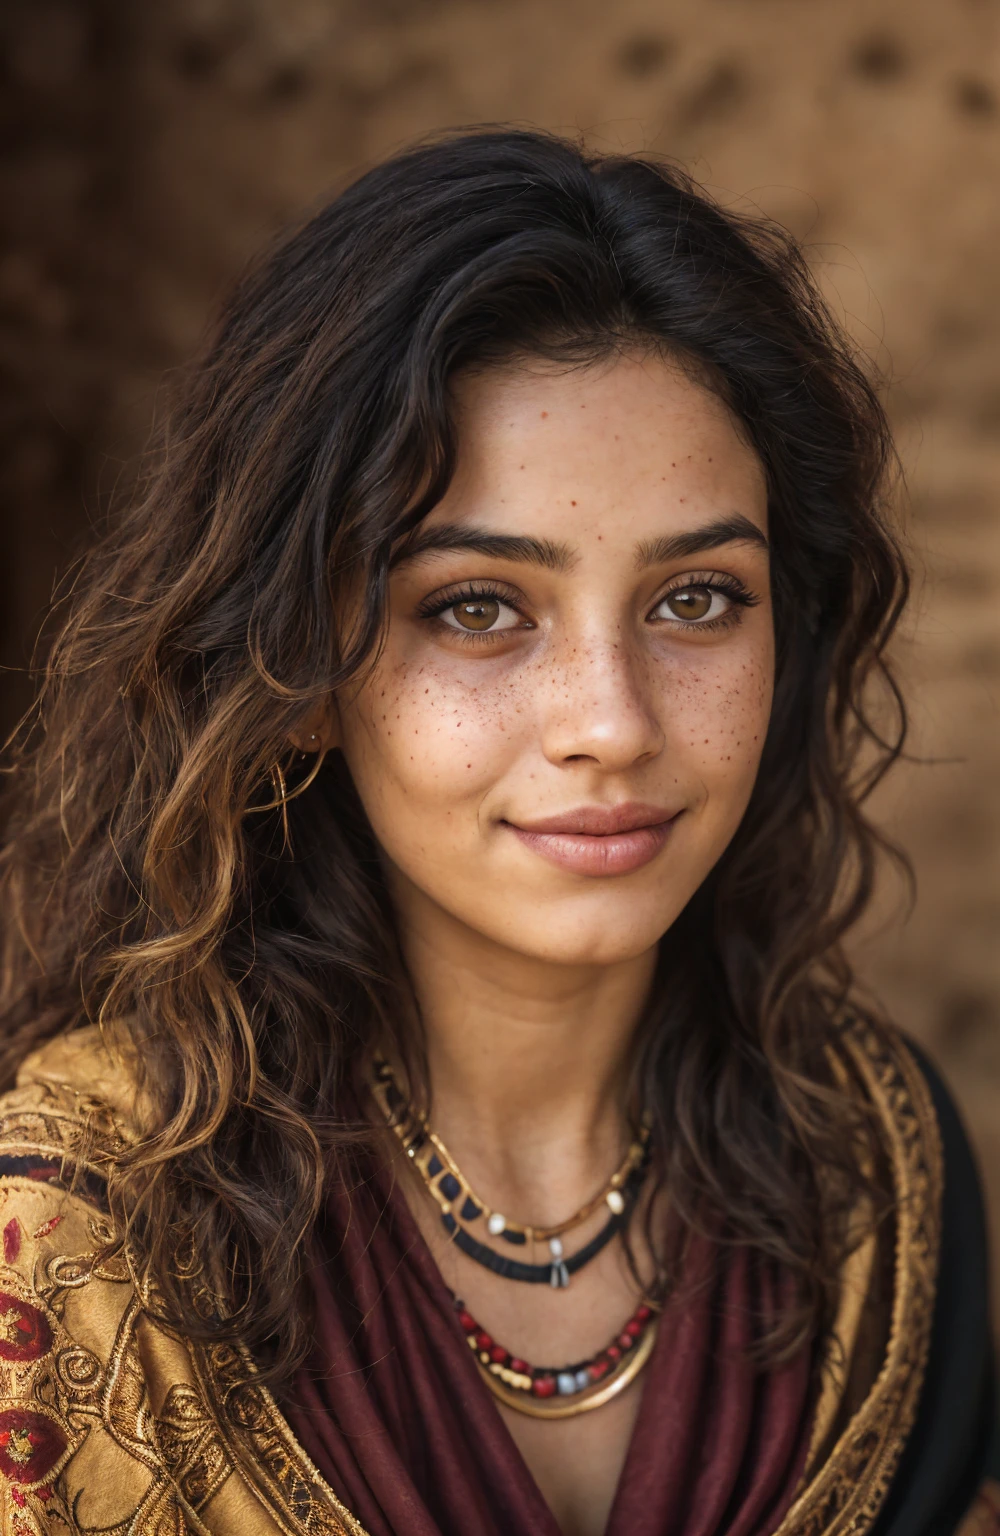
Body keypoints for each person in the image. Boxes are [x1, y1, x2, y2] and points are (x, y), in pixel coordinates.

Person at [0, 128, 994, 1536]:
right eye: (478, 607)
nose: (613, 721)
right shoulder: (79, 1235)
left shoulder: (874, 1174)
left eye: (699, 598)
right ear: (300, 677)